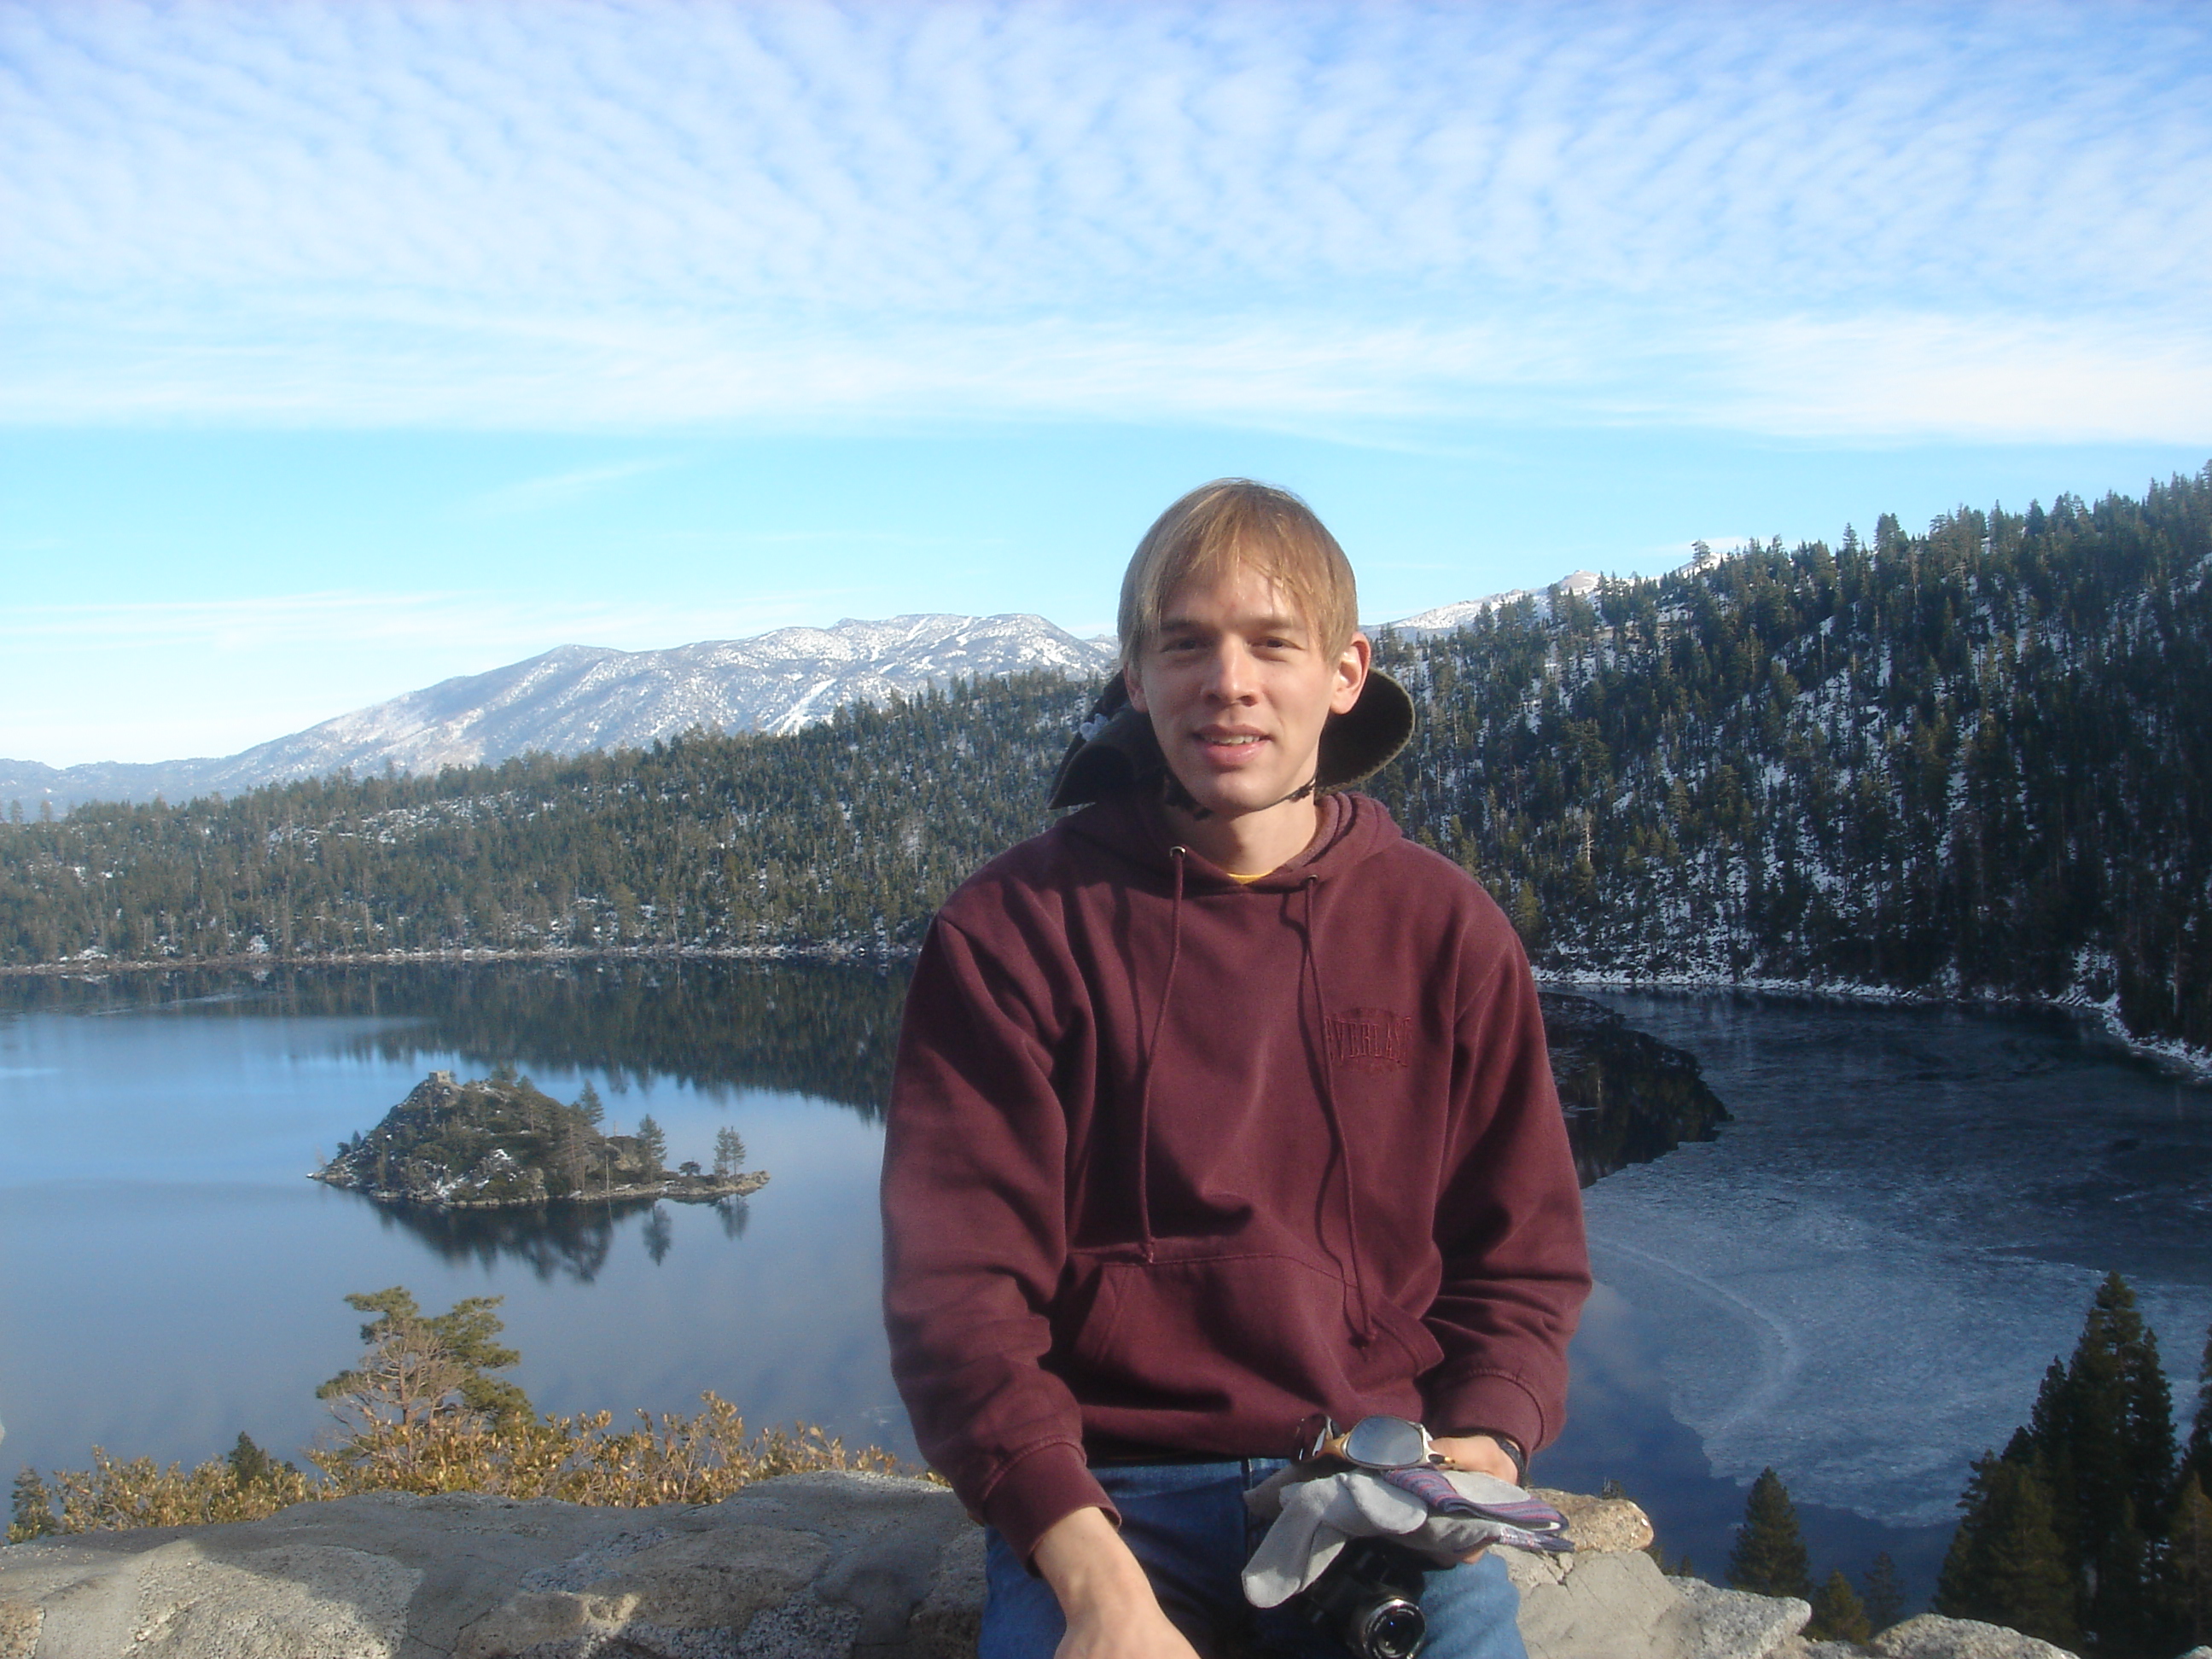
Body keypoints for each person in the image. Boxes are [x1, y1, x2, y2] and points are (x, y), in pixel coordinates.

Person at [882, 480, 1590, 1658]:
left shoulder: (1443, 931)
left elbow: (1521, 1255)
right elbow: (958, 1298)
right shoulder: (1015, 930)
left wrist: (1489, 1441)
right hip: (1112, 1505)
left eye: (1273, 644)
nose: (1230, 682)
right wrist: (1093, 1581)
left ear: (1346, 672)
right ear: (1135, 673)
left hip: (1371, 1489)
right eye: (1187, 645)